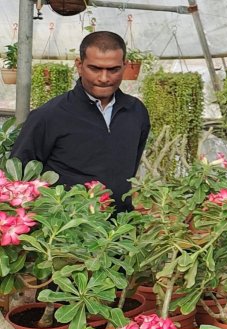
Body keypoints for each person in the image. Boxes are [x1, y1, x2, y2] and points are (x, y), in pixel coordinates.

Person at [11, 31, 150, 213]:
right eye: (95, 68)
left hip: (119, 233)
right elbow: (19, 176)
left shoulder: (136, 111)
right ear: (79, 65)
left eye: (113, 69)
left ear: (125, 66)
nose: (104, 78)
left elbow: (130, 169)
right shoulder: (49, 116)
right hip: (67, 231)